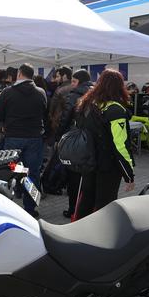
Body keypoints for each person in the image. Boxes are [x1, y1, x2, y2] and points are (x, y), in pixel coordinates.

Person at [75, 69, 135, 219]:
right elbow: (120, 146)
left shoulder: (87, 104)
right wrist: (129, 175)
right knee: (105, 206)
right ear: (119, 86)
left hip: (88, 163)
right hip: (107, 167)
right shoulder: (116, 110)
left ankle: (78, 230)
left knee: (86, 202)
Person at [0, 63, 47, 217]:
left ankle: (14, 199)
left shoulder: (8, 92)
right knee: (33, 172)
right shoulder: (41, 92)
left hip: (13, 137)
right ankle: (30, 209)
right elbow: (45, 112)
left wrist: (4, 124)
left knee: (12, 168)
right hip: (34, 138)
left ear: (20, 74)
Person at [56, 69, 93, 219]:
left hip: (76, 140)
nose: (71, 84)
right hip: (93, 140)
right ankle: (86, 209)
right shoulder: (97, 93)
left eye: (73, 81)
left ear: (80, 82)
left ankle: (73, 210)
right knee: (88, 177)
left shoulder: (74, 95)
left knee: (74, 177)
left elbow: (65, 118)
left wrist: (59, 137)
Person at [48, 66, 73, 139]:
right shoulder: (76, 87)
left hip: (59, 124)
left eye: (58, 76)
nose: (56, 79)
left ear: (64, 76)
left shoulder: (60, 90)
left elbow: (52, 109)